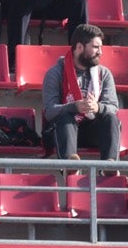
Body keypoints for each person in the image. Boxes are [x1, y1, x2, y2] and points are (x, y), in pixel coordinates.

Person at [43, 25, 120, 161]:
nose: (100, 52)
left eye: (101, 47)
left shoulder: (104, 73)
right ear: (79, 47)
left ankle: (110, 166)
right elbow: (49, 112)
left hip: (90, 129)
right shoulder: (55, 73)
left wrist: (98, 107)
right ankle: (71, 166)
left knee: (111, 119)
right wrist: (74, 107)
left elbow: (113, 107)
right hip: (63, 131)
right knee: (65, 116)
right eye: (96, 47)